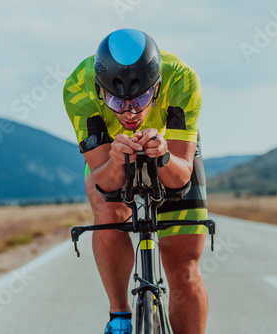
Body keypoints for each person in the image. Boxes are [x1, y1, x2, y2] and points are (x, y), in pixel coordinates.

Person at [63, 28, 209, 334]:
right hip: (113, 154)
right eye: (117, 102)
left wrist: (164, 157)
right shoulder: (78, 86)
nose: (129, 113)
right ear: (100, 89)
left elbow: (181, 176)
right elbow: (105, 181)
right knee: (107, 210)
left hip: (171, 150)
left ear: (156, 88)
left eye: (141, 98)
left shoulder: (182, 78)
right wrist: (116, 160)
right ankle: (119, 317)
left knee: (184, 271)